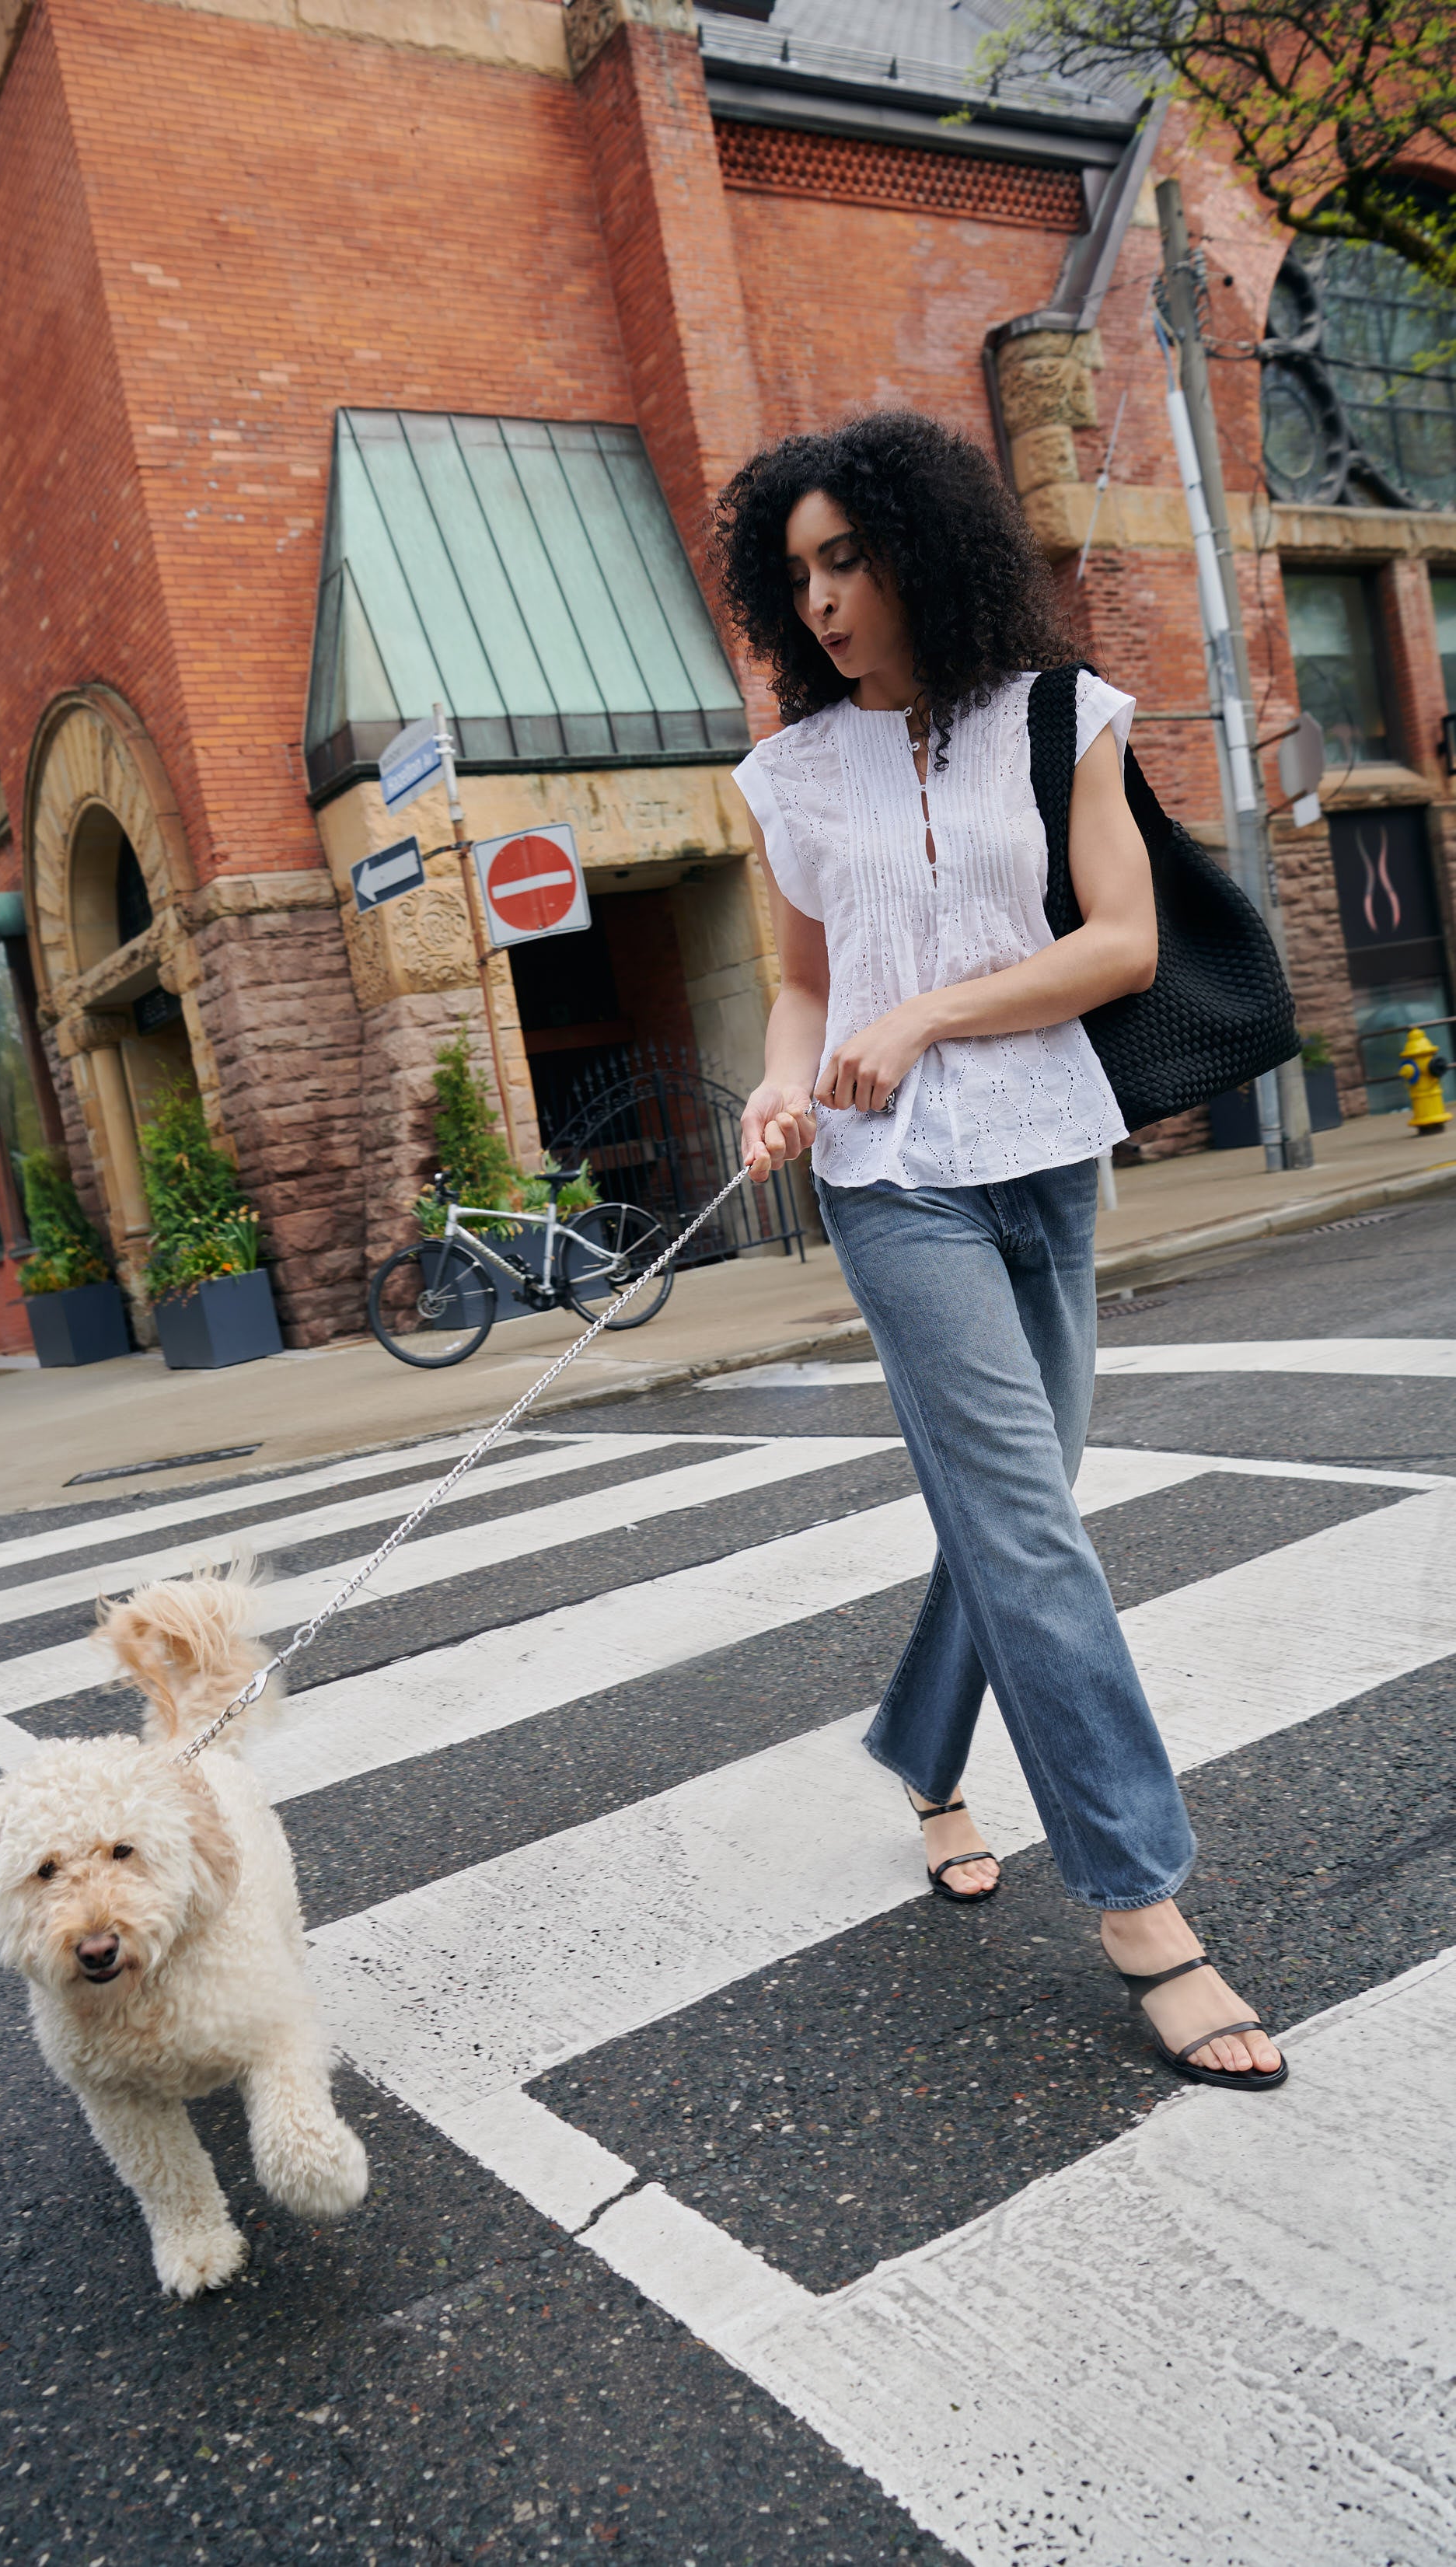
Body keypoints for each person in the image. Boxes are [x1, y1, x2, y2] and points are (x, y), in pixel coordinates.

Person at [718, 412, 1285, 2091]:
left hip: (1046, 1155)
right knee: (1034, 1530)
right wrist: (778, 1078)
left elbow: (1117, 944)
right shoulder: (793, 772)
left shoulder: (1062, 721)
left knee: (1014, 1507)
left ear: (926, 550)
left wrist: (932, 1014)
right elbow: (807, 982)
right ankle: (1142, 1903)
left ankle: (920, 1746)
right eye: (798, 569)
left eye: (850, 557)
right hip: (893, 1184)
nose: (822, 598)